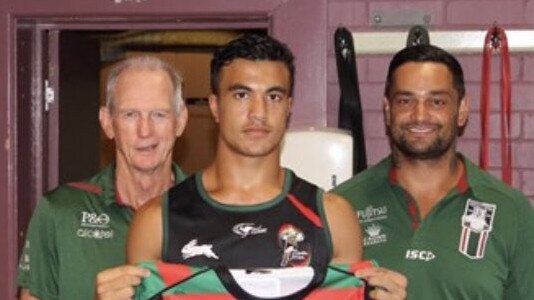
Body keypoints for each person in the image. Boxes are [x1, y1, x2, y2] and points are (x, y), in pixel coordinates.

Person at [127, 34, 407, 300]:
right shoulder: (156, 221)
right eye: (241, 95)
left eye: (273, 96)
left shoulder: (333, 218)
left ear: (289, 107)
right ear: (214, 106)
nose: (258, 113)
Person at [332, 44, 534, 299]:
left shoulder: (511, 211)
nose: (419, 115)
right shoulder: (341, 206)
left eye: (436, 101)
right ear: (387, 110)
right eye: (405, 101)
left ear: (461, 111)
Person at [17, 56, 189, 300]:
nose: (145, 130)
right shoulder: (59, 213)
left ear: (180, 121)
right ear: (108, 123)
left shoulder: (213, 213)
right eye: (130, 115)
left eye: (159, 115)